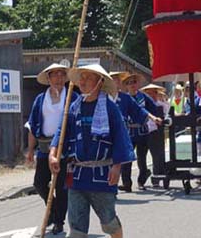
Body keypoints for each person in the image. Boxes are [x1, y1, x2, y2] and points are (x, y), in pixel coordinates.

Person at [49, 64, 134, 238]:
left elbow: (121, 137)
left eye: (88, 77)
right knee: (77, 228)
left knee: (109, 222)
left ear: (99, 82)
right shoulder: (73, 108)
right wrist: (52, 154)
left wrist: (117, 167)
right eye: (81, 77)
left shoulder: (110, 108)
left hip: (102, 175)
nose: (83, 81)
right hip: (77, 175)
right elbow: (61, 132)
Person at [26, 63, 69, 235]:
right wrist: (30, 150)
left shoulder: (71, 96)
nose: (58, 78)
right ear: (49, 79)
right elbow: (32, 126)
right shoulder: (40, 99)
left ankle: (59, 221)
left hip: (64, 147)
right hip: (44, 147)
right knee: (39, 183)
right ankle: (52, 211)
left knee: (61, 186)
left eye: (61, 74)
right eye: (55, 75)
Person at [109, 71, 161, 192]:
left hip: (140, 131)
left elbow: (145, 110)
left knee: (141, 158)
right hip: (121, 133)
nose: (132, 85)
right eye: (129, 83)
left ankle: (141, 179)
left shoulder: (134, 98)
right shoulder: (106, 97)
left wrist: (155, 118)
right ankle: (125, 183)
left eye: (134, 82)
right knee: (123, 159)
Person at [140, 83, 169, 188]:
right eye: (148, 93)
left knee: (157, 156)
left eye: (153, 93)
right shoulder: (142, 106)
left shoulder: (161, 105)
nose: (151, 95)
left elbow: (167, 115)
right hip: (143, 132)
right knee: (141, 157)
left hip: (156, 132)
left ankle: (157, 177)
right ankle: (142, 177)